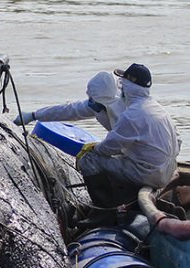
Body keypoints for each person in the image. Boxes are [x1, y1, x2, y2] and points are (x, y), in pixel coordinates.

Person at [75, 63, 180, 217]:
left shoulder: (132, 114)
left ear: (129, 87)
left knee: (89, 160)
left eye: (122, 85)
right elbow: (178, 140)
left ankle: (103, 213)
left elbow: (110, 147)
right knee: (122, 159)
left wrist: (93, 148)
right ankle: (127, 198)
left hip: (149, 174)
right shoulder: (157, 108)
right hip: (169, 170)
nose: (121, 89)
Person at [13, 71, 125, 131]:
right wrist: (34, 115)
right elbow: (68, 111)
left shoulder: (128, 113)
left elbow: (121, 141)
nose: (91, 104)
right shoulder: (98, 104)